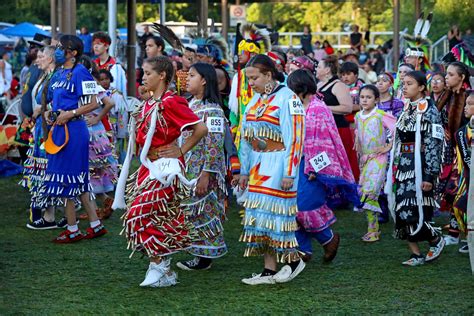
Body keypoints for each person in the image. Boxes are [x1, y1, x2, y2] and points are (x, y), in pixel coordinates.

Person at [113, 56, 208, 287]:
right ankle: (163, 270)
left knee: (138, 214)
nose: (143, 77)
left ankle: (160, 266)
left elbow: (201, 128)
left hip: (166, 169)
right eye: (143, 73)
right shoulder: (147, 103)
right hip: (149, 168)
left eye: (147, 73)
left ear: (162, 75)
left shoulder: (171, 102)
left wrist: (180, 150)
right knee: (155, 218)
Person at [238, 54, 305, 285]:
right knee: (259, 219)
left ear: (269, 74)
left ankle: (294, 261)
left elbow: (295, 138)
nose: (251, 83)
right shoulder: (254, 101)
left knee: (278, 218)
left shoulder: (288, 99)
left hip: (279, 165)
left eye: (255, 78)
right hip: (258, 165)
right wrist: (244, 170)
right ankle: (268, 270)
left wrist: (289, 172)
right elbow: (246, 139)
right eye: (248, 79)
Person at [287, 69, 359, 262]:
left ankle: (328, 239)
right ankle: (303, 249)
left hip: (313, 168)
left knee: (305, 207)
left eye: (291, 87)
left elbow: (327, 142)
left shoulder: (318, 108)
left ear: (300, 88)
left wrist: (315, 169)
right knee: (291, 207)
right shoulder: (294, 106)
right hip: (294, 164)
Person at [42, 35, 107, 243]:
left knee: (68, 178)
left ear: (74, 52)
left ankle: (72, 229)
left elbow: (94, 103)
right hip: (59, 128)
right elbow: (53, 100)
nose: (58, 50)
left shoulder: (81, 72)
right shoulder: (59, 73)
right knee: (75, 178)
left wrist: (69, 114)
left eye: (62, 48)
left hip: (74, 129)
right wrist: (49, 112)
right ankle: (95, 225)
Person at [385, 71, 444, 266]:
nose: (404, 87)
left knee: (414, 209)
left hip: (421, 166)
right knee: (401, 207)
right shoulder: (406, 109)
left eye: (409, 84)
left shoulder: (430, 110)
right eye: (403, 84)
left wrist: (429, 175)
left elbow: (434, 145)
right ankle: (416, 254)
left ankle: (435, 238)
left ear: (421, 87)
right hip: (403, 165)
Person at [175, 63, 228, 270]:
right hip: (189, 167)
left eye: (192, 75)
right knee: (192, 210)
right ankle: (196, 251)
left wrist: (206, 174)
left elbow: (214, 144)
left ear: (204, 80)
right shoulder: (191, 104)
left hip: (203, 169)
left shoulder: (212, 110)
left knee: (204, 211)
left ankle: (205, 257)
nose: (187, 79)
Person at [21, 46, 59, 229]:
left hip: (48, 129)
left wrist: (39, 112)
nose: (38, 60)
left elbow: (56, 103)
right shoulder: (45, 76)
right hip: (39, 129)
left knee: (48, 168)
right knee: (40, 169)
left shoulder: (56, 78)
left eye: (42, 56)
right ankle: (47, 214)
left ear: (51, 59)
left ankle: (48, 213)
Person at [354, 85, 396, 242]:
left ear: (376, 99)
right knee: (364, 193)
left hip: (379, 159)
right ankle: (372, 229)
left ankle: (374, 230)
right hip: (365, 159)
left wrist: (387, 146)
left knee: (370, 192)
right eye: (362, 97)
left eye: (368, 97)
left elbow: (397, 129)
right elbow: (358, 136)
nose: (364, 100)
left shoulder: (381, 115)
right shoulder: (358, 116)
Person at [79, 57, 118, 221]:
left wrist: (97, 118)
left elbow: (109, 103)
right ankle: (104, 202)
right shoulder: (86, 83)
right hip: (93, 132)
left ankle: (95, 211)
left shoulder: (90, 84)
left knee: (90, 171)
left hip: (92, 133)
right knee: (93, 172)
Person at [437, 62, 470, 246]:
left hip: (463, 151)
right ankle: (456, 232)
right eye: (446, 74)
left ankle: (460, 234)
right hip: (447, 150)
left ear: (461, 77)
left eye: (450, 75)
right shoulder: (447, 94)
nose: (446, 78)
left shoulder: (469, 98)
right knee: (449, 191)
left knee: (458, 190)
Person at [316, 55, 359, 182]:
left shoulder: (338, 85)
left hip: (338, 130)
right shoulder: (319, 85)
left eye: (319, 67)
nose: (316, 69)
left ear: (327, 70)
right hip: (324, 131)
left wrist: (324, 108)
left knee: (340, 162)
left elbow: (347, 107)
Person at [452, 91, 474, 253]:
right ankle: (469, 237)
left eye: (470, 104)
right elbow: (464, 161)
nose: (466, 107)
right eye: (466, 103)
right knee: (459, 207)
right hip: (469, 177)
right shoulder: (461, 132)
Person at [98, 69, 129, 165]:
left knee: (114, 150)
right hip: (100, 126)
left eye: (106, 78)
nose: (104, 81)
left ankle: (117, 171)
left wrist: (122, 132)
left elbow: (122, 113)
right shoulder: (96, 93)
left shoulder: (116, 94)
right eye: (101, 79)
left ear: (110, 79)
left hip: (113, 128)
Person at [92, 31, 127, 96]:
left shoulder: (115, 66)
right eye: (94, 44)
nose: (95, 47)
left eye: (98, 44)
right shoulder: (92, 65)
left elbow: (116, 88)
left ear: (106, 46)